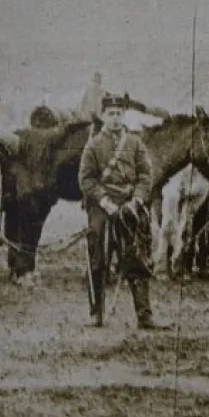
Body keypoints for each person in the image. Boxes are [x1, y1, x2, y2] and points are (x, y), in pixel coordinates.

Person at [78, 92, 168, 329]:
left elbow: (146, 175)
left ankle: (145, 315)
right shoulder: (94, 145)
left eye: (119, 113)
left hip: (129, 204)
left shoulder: (135, 143)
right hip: (102, 206)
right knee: (97, 252)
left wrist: (136, 200)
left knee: (136, 255)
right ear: (103, 115)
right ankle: (96, 313)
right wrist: (104, 200)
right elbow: (86, 180)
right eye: (111, 114)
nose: (116, 118)